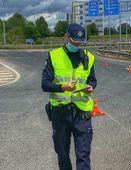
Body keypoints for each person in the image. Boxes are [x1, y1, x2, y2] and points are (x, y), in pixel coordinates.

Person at [41, 23, 97, 170]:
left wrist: (91, 87)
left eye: (80, 43)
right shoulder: (54, 56)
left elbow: (92, 79)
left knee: (83, 156)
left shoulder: (88, 57)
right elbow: (45, 84)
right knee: (63, 155)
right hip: (60, 114)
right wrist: (62, 87)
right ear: (66, 37)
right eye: (74, 42)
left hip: (82, 114)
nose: (77, 45)